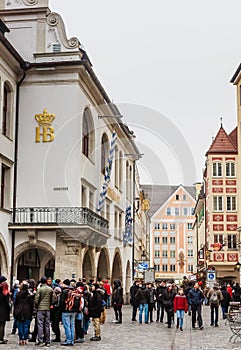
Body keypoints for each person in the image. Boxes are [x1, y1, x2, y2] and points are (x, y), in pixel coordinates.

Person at [34, 276, 56, 347]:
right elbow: (54, 299)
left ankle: (40, 340)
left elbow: (36, 300)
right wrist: (50, 304)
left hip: (40, 309)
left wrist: (36, 306)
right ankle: (47, 341)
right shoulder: (50, 289)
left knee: (40, 325)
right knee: (47, 325)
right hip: (47, 309)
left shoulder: (40, 289)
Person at [59, 279, 81, 346]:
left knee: (67, 326)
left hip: (66, 310)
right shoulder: (74, 290)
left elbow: (62, 302)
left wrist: (61, 309)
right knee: (72, 326)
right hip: (74, 310)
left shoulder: (65, 291)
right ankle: (72, 340)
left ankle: (68, 340)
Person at [14, 280, 34, 345]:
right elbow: (31, 304)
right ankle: (25, 339)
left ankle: (21, 339)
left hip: (19, 310)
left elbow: (16, 303)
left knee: (20, 325)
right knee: (26, 325)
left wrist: (15, 310)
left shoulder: (18, 293)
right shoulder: (29, 295)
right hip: (27, 311)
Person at [0, 277, 11, 344]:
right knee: (2, 325)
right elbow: (7, 303)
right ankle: (1, 338)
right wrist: (9, 308)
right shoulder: (6, 293)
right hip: (3, 311)